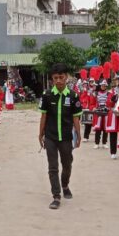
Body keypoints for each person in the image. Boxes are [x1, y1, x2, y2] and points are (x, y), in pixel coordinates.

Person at [38, 63, 83, 210]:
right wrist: (41, 134)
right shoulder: (47, 95)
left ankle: (65, 184)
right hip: (50, 137)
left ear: (66, 77)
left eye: (61, 77)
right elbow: (43, 116)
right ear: (52, 79)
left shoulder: (73, 95)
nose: (58, 80)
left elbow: (76, 117)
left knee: (67, 164)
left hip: (66, 137)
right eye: (55, 78)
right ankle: (56, 196)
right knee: (53, 167)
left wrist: (78, 133)